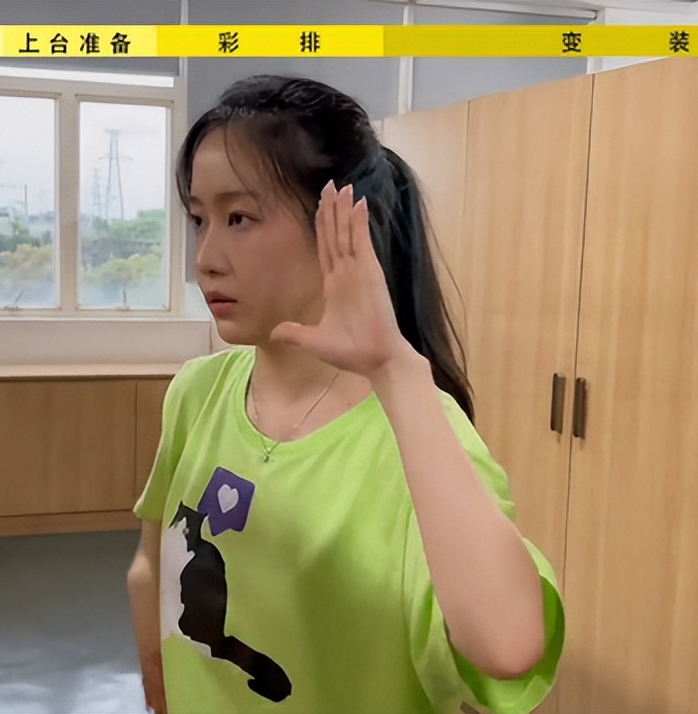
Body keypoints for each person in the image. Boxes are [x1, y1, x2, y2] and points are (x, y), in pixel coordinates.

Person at [126, 74, 565, 714]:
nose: (205, 257)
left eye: (240, 218)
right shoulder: (198, 392)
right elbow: (149, 568)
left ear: (339, 227)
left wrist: (396, 368)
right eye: (199, 219)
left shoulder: (418, 432)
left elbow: (506, 646)